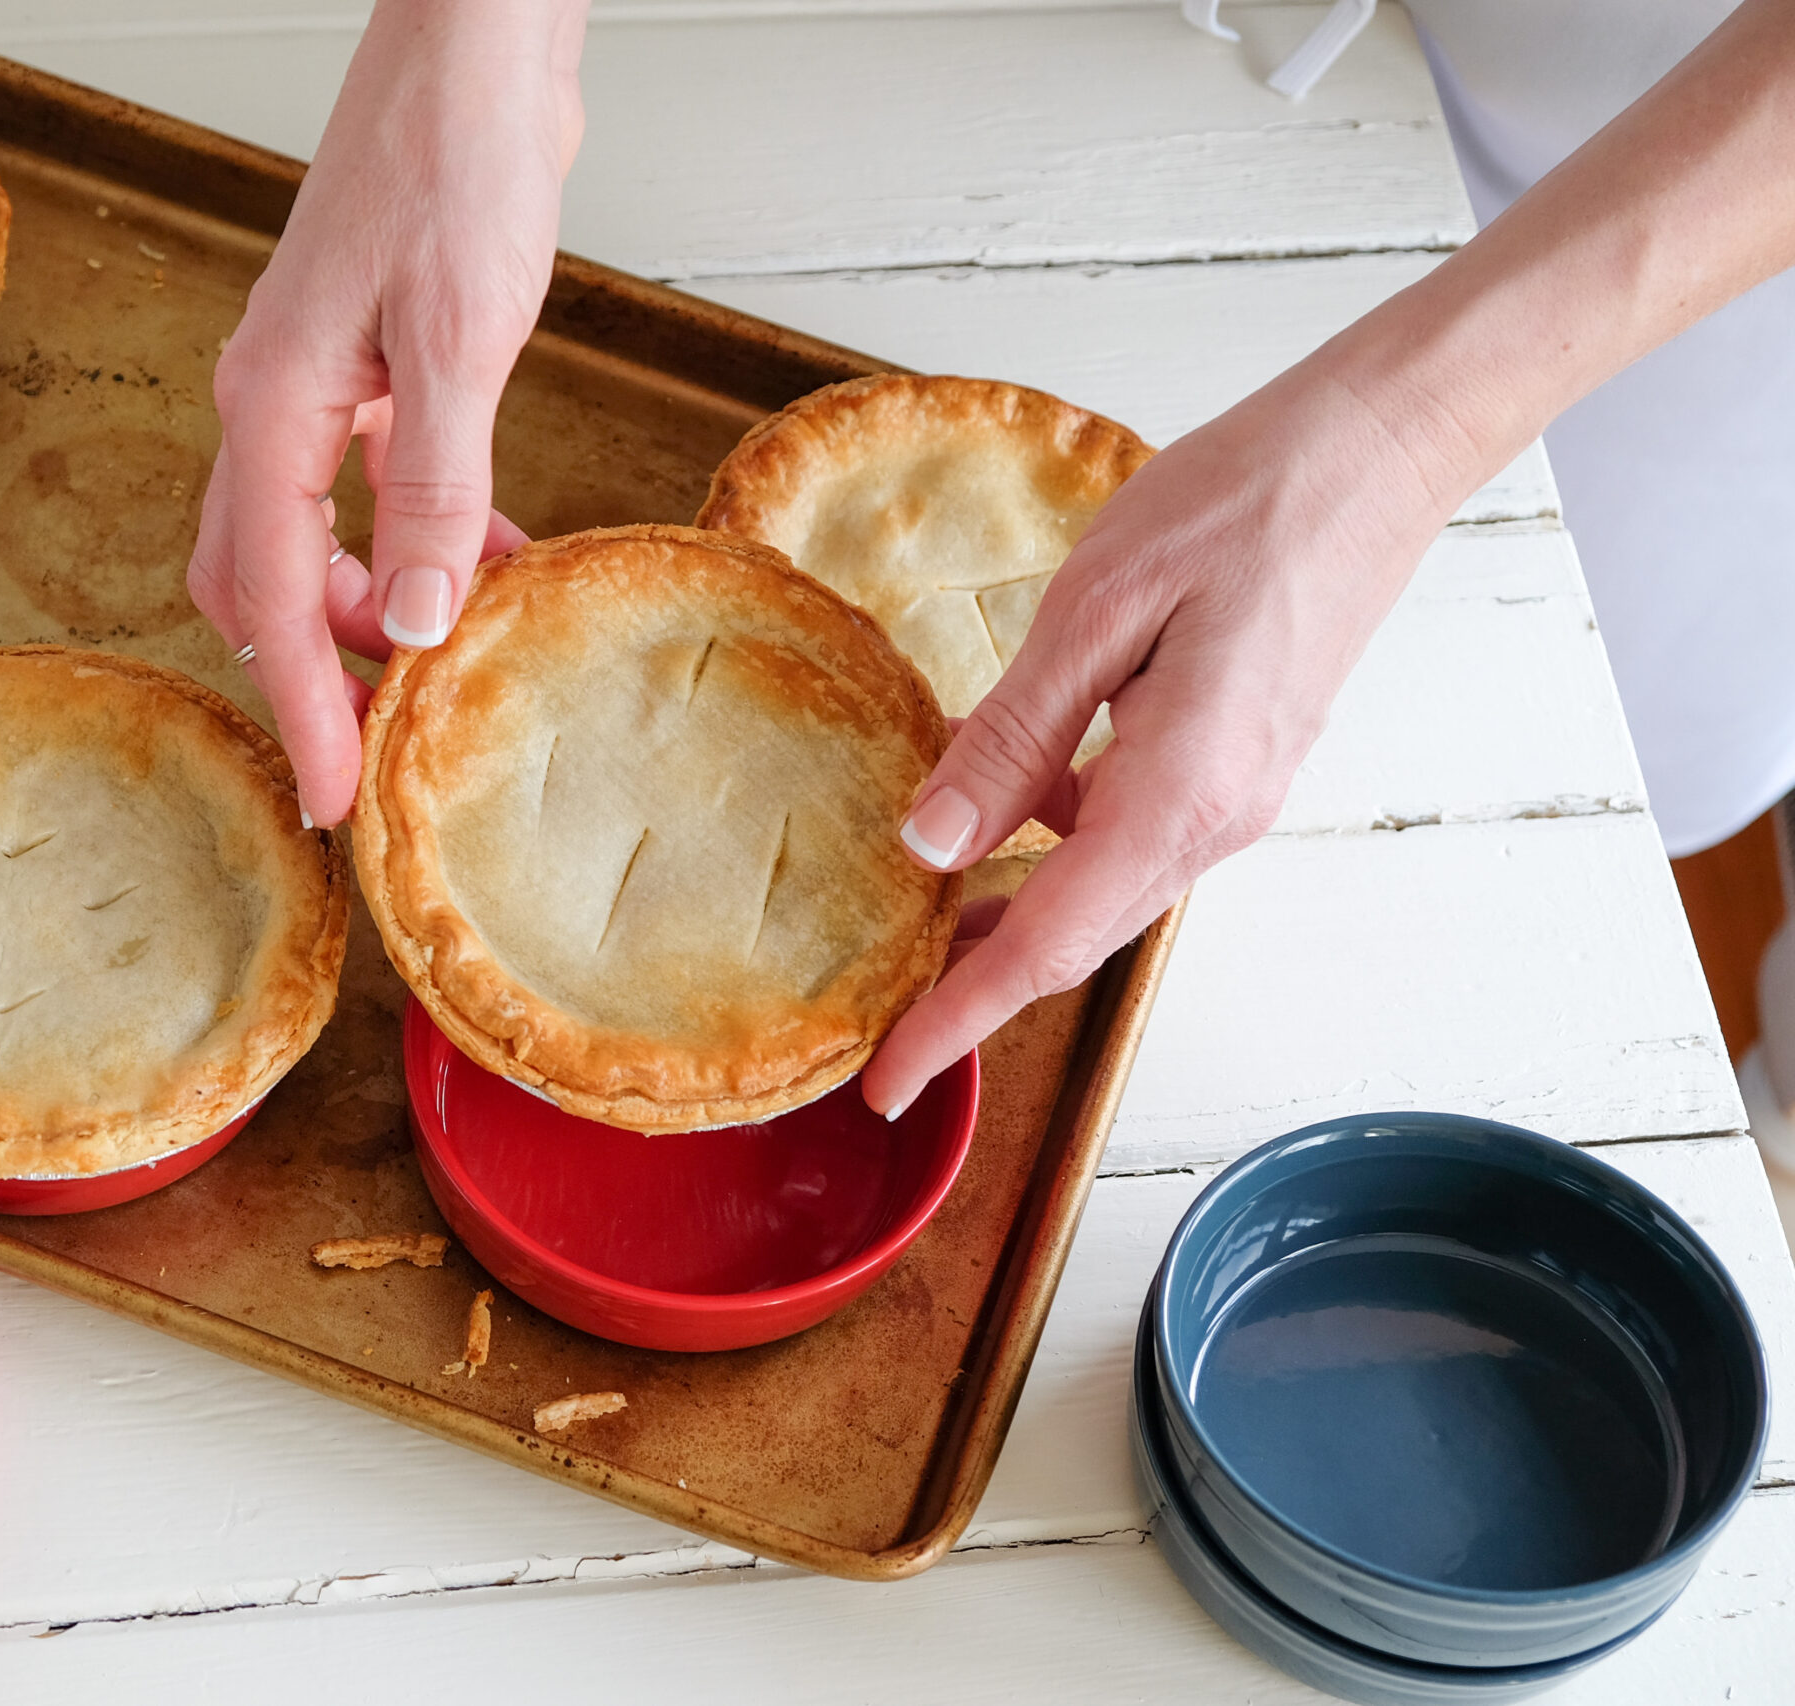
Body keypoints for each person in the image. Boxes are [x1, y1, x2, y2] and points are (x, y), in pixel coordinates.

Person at [188, 0, 1795, 1119]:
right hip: (885, 97)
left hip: (1660, 167)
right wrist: (466, 53)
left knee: (1567, 825)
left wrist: (1402, 436)